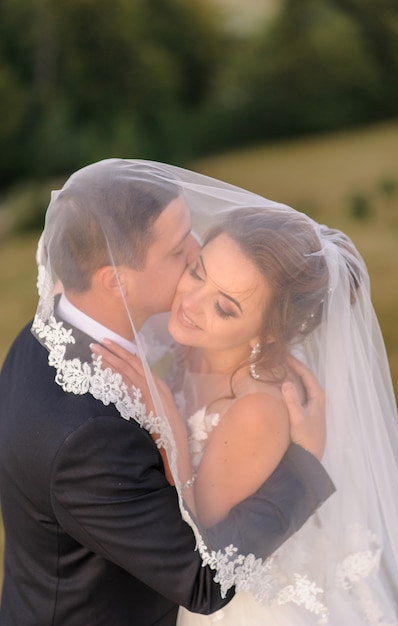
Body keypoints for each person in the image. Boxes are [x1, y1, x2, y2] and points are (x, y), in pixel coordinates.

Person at [0, 159, 334, 626]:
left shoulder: (50, 325)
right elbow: (204, 581)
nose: (198, 249)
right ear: (115, 280)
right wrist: (304, 466)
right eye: (182, 252)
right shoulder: (90, 437)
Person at [92, 201, 398, 625]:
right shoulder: (194, 341)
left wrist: (168, 423)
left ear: (269, 333)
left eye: (225, 307)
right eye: (197, 271)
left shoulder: (256, 408)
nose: (191, 302)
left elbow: (204, 543)